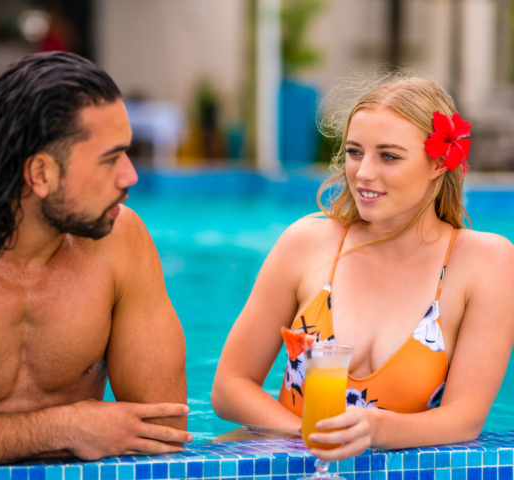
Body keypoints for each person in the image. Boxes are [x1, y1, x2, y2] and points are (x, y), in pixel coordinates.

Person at [0, 52, 190, 464]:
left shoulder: (122, 241)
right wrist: (63, 428)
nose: (130, 176)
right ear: (40, 174)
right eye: (110, 159)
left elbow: (164, 433)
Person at [211, 72, 514, 460]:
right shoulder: (308, 242)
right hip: (278, 459)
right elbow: (229, 386)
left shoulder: (484, 263)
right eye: (355, 152)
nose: (364, 173)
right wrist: (308, 438)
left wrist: (377, 430)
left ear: (439, 163)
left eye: (388, 156)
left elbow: (465, 418)